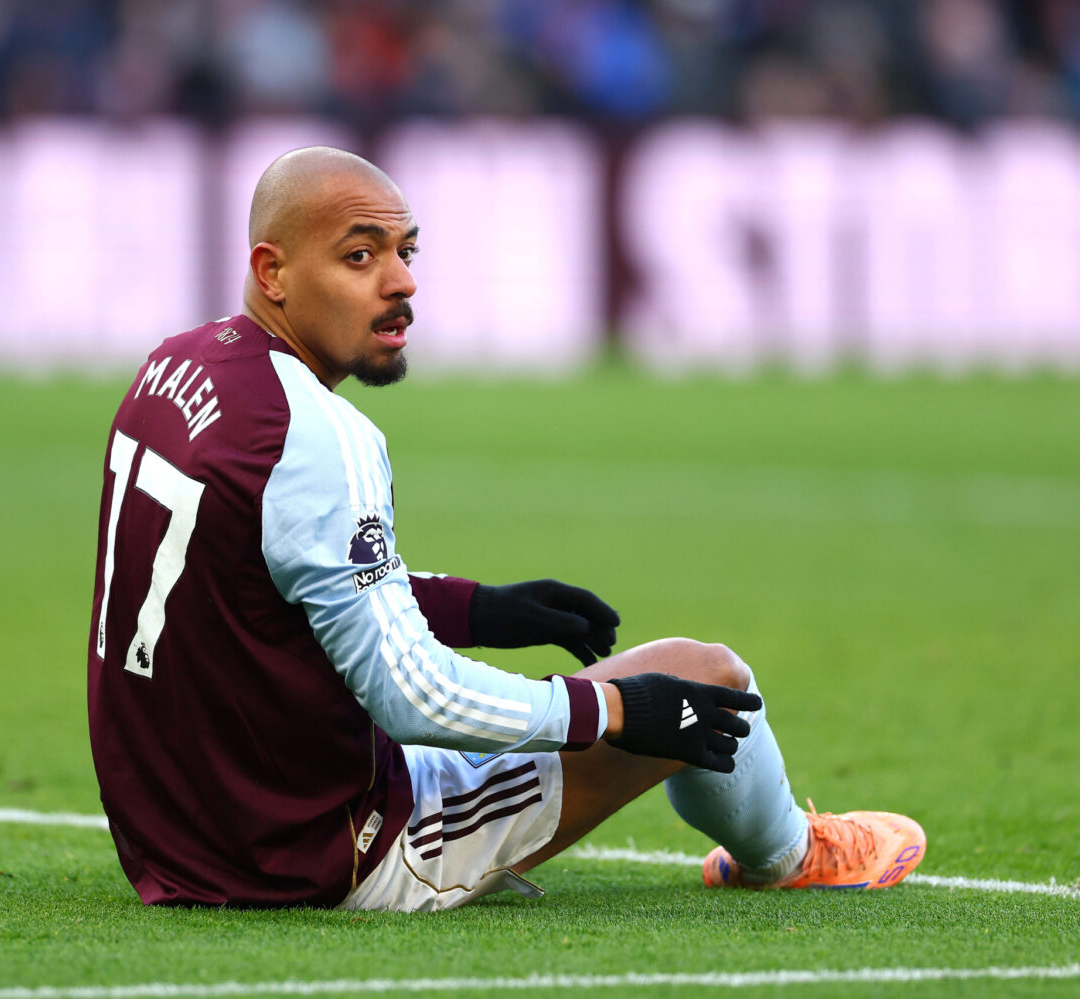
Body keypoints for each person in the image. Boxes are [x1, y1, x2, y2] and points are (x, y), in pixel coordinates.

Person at [85, 146, 925, 911]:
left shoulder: (173, 365)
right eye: (360, 256)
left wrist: (479, 608)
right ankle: (790, 855)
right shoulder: (317, 433)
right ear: (272, 271)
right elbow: (412, 695)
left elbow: (264, 585)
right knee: (707, 675)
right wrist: (613, 709)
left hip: (174, 834)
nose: (401, 282)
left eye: (406, 252)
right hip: (315, 851)